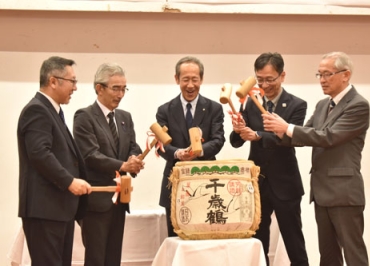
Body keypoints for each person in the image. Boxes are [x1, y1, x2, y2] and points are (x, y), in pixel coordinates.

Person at [263, 51, 369, 266]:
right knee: (328, 256)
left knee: (353, 253)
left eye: (327, 74)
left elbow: (329, 137)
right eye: (319, 75)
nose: (322, 80)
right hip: (321, 191)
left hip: (344, 192)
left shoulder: (358, 105)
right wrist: (277, 131)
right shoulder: (323, 104)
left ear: (345, 75)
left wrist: (288, 128)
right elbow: (305, 134)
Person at [230, 52, 309, 266]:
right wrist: (238, 129)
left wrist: (258, 136)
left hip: (285, 184)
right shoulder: (250, 102)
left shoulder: (296, 105)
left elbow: (290, 140)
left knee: (294, 241)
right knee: (257, 242)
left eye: (270, 79)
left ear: (282, 76)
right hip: (257, 184)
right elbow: (236, 142)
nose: (265, 84)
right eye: (260, 79)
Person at [17, 56, 91, 266]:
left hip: (59, 209)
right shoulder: (37, 110)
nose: (75, 87)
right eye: (72, 81)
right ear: (53, 81)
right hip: (45, 210)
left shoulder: (53, 111)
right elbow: (39, 153)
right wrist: (69, 181)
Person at [73, 63, 144, 266]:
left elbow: (133, 146)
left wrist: (134, 159)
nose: (120, 94)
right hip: (96, 200)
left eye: (124, 88)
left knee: (113, 257)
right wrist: (124, 165)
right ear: (99, 88)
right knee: (96, 258)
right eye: (116, 88)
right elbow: (90, 155)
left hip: (120, 199)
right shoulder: (84, 116)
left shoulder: (124, 117)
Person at [156, 56, 225, 236]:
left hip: (207, 182)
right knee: (175, 236)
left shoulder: (214, 108)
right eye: (185, 79)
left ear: (201, 79)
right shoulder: (165, 110)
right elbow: (160, 145)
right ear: (177, 79)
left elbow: (218, 140)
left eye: (195, 79)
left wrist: (198, 151)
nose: (190, 85)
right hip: (175, 181)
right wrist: (178, 153)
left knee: (206, 235)